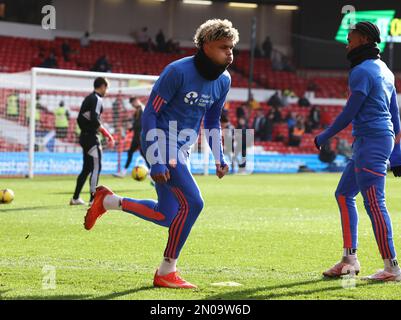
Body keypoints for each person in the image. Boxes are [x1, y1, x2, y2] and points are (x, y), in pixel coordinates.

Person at [84, 19, 239, 288]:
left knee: (167, 214)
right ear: (204, 46)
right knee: (194, 203)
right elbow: (151, 114)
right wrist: (156, 159)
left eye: (232, 47)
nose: (230, 53)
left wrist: (219, 157)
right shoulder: (177, 71)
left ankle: (108, 201)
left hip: (183, 147)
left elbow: (213, 122)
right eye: (223, 47)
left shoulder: (223, 80)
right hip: (160, 140)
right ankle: (167, 271)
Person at [315, 22, 401, 281]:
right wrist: (395, 151)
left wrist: (325, 135)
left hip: (371, 142)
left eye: (350, 39)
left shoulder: (361, 71)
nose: (347, 44)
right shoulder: (384, 70)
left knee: (375, 203)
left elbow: (350, 111)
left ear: (363, 39)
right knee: (343, 194)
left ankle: (392, 268)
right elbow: (395, 114)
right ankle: (349, 260)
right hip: (374, 141)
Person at [70, 77, 115, 206]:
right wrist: (108, 135)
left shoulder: (88, 98)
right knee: (96, 167)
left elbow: (80, 119)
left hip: (84, 137)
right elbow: (95, 119)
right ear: (102, 86)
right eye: (106, 87)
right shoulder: (97, 99)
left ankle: (75, 198)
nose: (106, 91)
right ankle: (93, 199)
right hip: (91, 138)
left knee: (87, 168)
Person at [113, 97, 149, 178]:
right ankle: (150, 171)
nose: (132, 105)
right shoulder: (138, 110)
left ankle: (123, 172)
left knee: (135, 153)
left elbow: (140, 124)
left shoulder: (141, 109)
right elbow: (137, 123)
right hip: (138, 136)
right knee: (142, 154)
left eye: (133, 103)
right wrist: (131, 129)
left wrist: (132, 128)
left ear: (136, 101)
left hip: (139, 137)